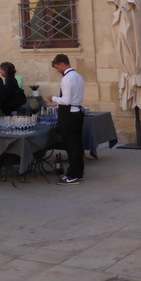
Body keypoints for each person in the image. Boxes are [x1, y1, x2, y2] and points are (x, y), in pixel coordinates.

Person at [48, 54, 85, 185]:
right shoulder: (78, 76)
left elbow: (66, 100)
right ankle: (78, 172)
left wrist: (53, 98)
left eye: (57, 67)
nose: (57, 70)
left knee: (72, 146)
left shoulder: (67, 79)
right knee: (77, 145)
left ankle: (73, 174)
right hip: (77, 112)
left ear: (62, 64)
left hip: (70, 114)